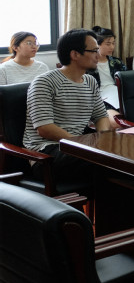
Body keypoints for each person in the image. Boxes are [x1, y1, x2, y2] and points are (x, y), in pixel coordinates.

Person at [23, 29, 111, 183]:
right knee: (108, 163)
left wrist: (103, 138)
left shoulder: (90, 81)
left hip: (76, 146)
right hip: (46, 154)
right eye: (94, 51)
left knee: (120, 156)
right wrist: (81, 143)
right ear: (75, 54)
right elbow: (44, 128)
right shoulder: (44, 82)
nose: (98, 55)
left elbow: (101, 116)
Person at [87, 26, 127, 127]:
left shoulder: (117, 62)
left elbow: (128, 81)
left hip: (119, 95)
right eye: (108, 44)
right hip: (100, 100)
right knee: (119, 123)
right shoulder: (88, 65)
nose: (112, 47)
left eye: (113, 43)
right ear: (97, 45)